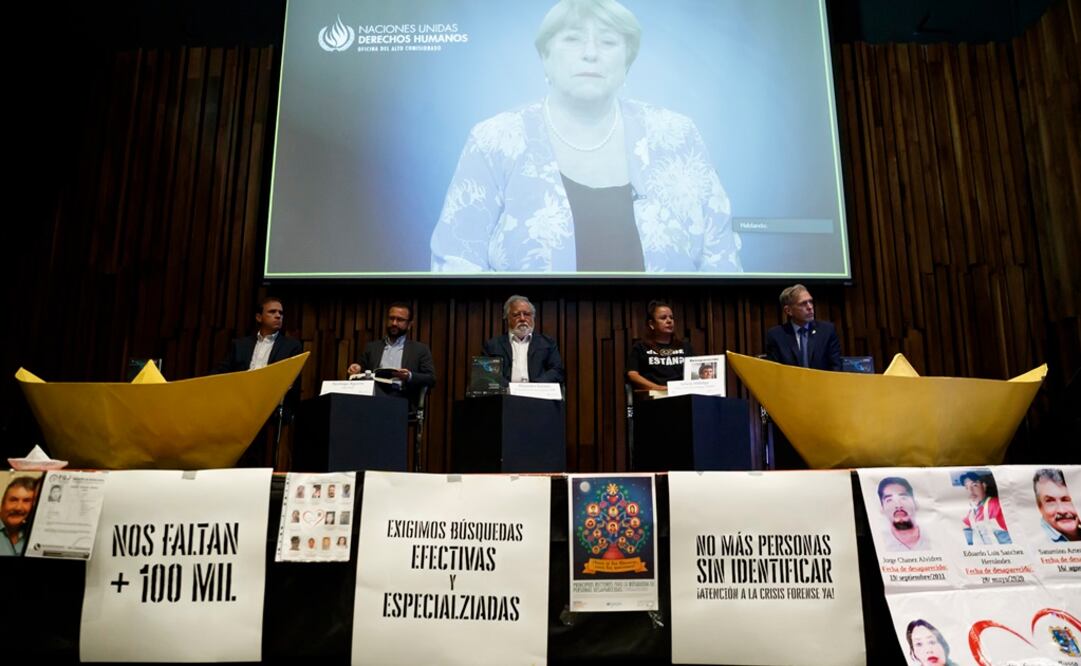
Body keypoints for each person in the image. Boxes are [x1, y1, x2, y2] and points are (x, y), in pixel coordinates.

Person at [430, 0, 742, 274]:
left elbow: (721, 255)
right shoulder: (496, 139)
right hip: (533, 336)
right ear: (545, 58)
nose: (590, 53)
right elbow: (456, 260)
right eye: (573, 40)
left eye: (607, 42)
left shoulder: (676, 135)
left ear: (627, 62)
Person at [346, 303, 436, 406]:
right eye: (391, 318)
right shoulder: (371, 347)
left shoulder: (420, 349)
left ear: (409, 325)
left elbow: (431, 379)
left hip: (401, 398)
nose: (394, 323)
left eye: (400, 320)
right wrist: (356, 369)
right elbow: (361, 372)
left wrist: (409, 376)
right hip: (372, 396)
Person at [482, 295, 565, 384]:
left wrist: (534, 387)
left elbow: (557, 371)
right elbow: (487, 374)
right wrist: (509, 388)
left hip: (538, 394)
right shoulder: (492, 345)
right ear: (507, 319)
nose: (522, 319)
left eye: (527, 314)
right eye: (516, 315)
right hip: (506, 395)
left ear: (533, 318)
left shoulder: (548, 343)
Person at [215, 297, 304, 373]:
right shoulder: (240, 345)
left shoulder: (291, 347)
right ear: (259, 317)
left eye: (281, 313)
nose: (278, 316)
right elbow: (221, 372)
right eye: (272, 312)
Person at [765, 284, 842, 371]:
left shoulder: (827, 331)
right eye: (803, 304)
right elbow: (774, 372)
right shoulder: (776, 336)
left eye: (810, 302)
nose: (810, 307)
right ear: (788, 310)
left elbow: (836, 368)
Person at [626, 301, 695, 391]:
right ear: (651, 324)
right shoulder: (641, 347)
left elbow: (695, 371)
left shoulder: (684, 346)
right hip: (655, 395)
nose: (669, 321)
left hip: (682, 394)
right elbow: (632, 374)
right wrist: (656, 388)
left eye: (671, 317)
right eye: (663, 318)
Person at [878, 477, 932, 552]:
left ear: (916, 504)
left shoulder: (934, 537)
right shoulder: (880, 544)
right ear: (882, 509)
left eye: (903, 498)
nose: (898, 505)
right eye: (889, 500)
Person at [959, 471, 1011, 545]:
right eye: (967, 487)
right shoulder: (971, 513)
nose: (970, 491)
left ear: (983, 486)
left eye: (974, 485)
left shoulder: (996, 504)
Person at [1033, 468, 1080, 542]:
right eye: (1050, 501)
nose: (1062, 510)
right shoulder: (1033, 542)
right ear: (1039, 507)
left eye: (1067, 500)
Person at [1, 476, 38, 556]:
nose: (18, 507)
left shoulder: (34, 534)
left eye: (26, 501)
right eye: (13, 500)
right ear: (2, 504)